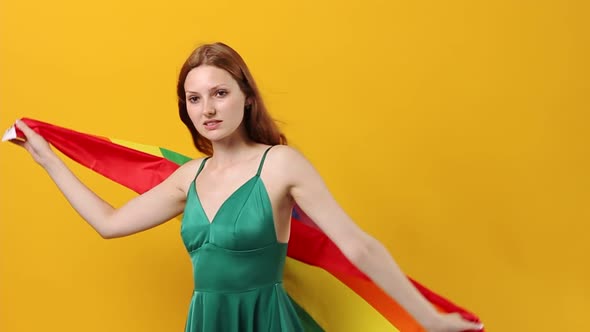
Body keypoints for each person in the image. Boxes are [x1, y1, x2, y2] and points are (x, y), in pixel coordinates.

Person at [12, 42, 483, 332]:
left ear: (246, 96)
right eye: (194, 99)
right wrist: (48, 160)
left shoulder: (280, 165)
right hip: (206, 323)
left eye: (220, 93)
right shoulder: (188, 178)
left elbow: (358, 247)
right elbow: (109, 223)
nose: (208, 109)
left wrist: (429, 318)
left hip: (266, 321)